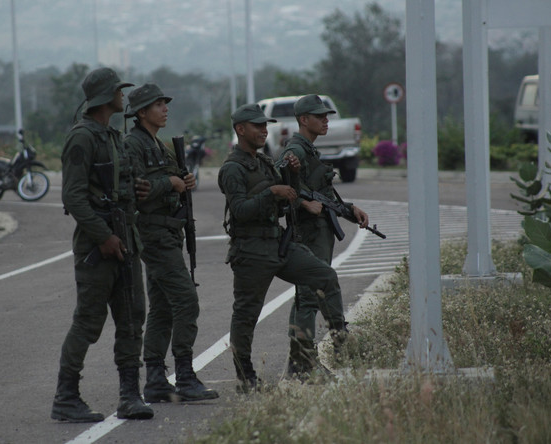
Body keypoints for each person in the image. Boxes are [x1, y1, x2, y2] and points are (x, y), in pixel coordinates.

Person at [217, 103, 348, 393]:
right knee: (246, 315)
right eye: (257, 126)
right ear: (240, 130)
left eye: (266, 126)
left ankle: (338, 341)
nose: (264, 130)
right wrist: (272, 192)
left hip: (278, 244)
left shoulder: (264, 163)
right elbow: (240, 209)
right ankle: (245, 377)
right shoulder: (232, 169)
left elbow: (287, 198)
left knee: (323, 276)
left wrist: (291, 178)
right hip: (250, 250)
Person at [51, 67, 153, 422]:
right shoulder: (82, 137)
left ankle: (130, 395)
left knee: (131, 320)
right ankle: (66, 397)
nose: (123, 96)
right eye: (118, 91)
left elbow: (119, 186)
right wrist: (103, 236)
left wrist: (137, 190)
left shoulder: (111, 136)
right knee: (88, 321)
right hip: (99, 248)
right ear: (104, 97)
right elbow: (74, 198)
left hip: (125, 239)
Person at [123, 83, 219, 403]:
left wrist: (183, 180)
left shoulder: (158, 144)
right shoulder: (134, 144)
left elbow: (173, 178)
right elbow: (136, 187)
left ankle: (154, 379)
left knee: (163, 306)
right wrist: (172, 182)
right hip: (152, 234)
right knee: (186, 300)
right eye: (158, 104)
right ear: (141, 112)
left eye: (165, 103)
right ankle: (185, 375)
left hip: (167, 232)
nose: (165, 108)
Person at [279, 94, 369, 380]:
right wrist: (303, 204)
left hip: (319, 231)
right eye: (319, 116)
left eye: (326, 116)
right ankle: (305, 363)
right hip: (307, 231)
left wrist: (349, 210)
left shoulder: (309, 150)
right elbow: (280, 188)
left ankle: (298, 360)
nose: (326, 120)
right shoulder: (296, 150)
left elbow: (324, 194)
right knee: (308, 296)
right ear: (304, 120)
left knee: (307, 295)